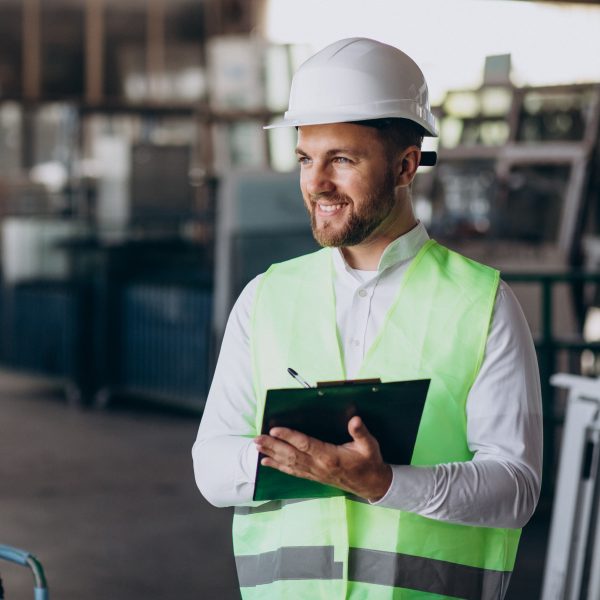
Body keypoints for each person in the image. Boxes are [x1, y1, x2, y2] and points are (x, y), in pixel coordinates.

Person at [192, 37, 542, 599]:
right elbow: (211, 469)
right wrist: (297, 461)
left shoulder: (483, 304)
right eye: (307, 158)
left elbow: (515, 489)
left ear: (406, 166)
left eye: (343, 160)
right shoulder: (266, 297)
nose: (317, 183)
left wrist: (384, 484)